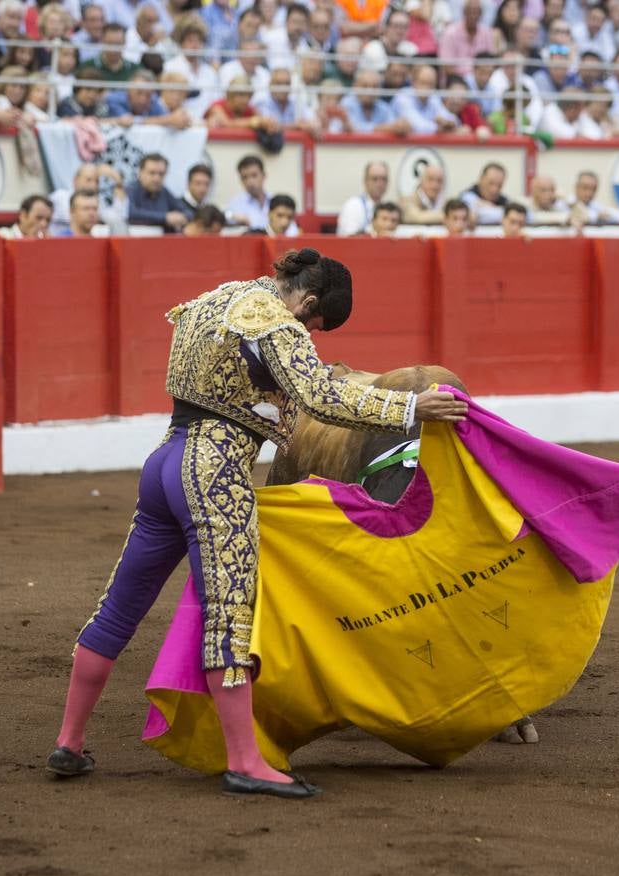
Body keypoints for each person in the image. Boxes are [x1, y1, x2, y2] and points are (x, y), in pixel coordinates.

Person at [46, 248, 467, 796]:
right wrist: (411, 411)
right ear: (308, 302)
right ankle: (245, 761)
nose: (311, 336)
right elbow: (319, 396)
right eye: (315, 326)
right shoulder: (274, 320)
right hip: (215, 468)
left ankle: (69, 742)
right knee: (230, 615)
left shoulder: (215, 298)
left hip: (165, 462)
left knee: (118, 606)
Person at [126, 153, 187, 233]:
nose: (156, 178)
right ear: (140, 173)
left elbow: (187, 211)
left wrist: (181, 218)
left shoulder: (164, 192)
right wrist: (165, 218)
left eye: (161, 174)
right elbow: (130, 213)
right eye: (152, 173)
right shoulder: (131, 190)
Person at [335, 161, 389, 236]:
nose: (380, 184)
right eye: (375, 179)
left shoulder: (386, 207)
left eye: (383, 179)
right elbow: (350, 237)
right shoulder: (353, 205)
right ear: (365, 181)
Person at [224, 154, 271, 230]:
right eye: (245, 177)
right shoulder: (236, 203)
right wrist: (232, 217)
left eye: (254, 175)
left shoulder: (274, 201)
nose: (250, 182)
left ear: (264, 175)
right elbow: (225, 217)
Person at [460, 162, 509, 227]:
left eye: (499, 185)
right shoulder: (466, 197)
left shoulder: (505, 201)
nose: (494, 190)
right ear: (481, 179)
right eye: (491, 183)